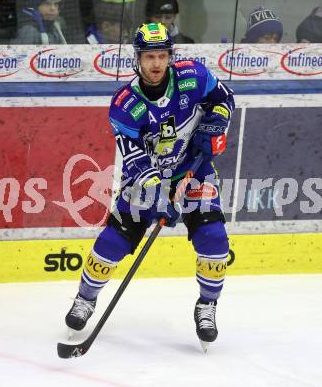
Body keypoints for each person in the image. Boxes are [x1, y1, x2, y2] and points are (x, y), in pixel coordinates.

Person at [65, 22, 235, 351]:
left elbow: (223, 97)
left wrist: (216, 122)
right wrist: (160, 196)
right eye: (149, 57)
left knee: (214, 239)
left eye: (162, 55)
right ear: (137, 59)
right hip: (146, 178)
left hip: (193, 171)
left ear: (170, 56)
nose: (156, 64)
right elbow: (135, 161)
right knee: (112, 243)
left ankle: (207, 306)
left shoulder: (193, 76)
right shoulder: (126, 104)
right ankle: (85, 299)